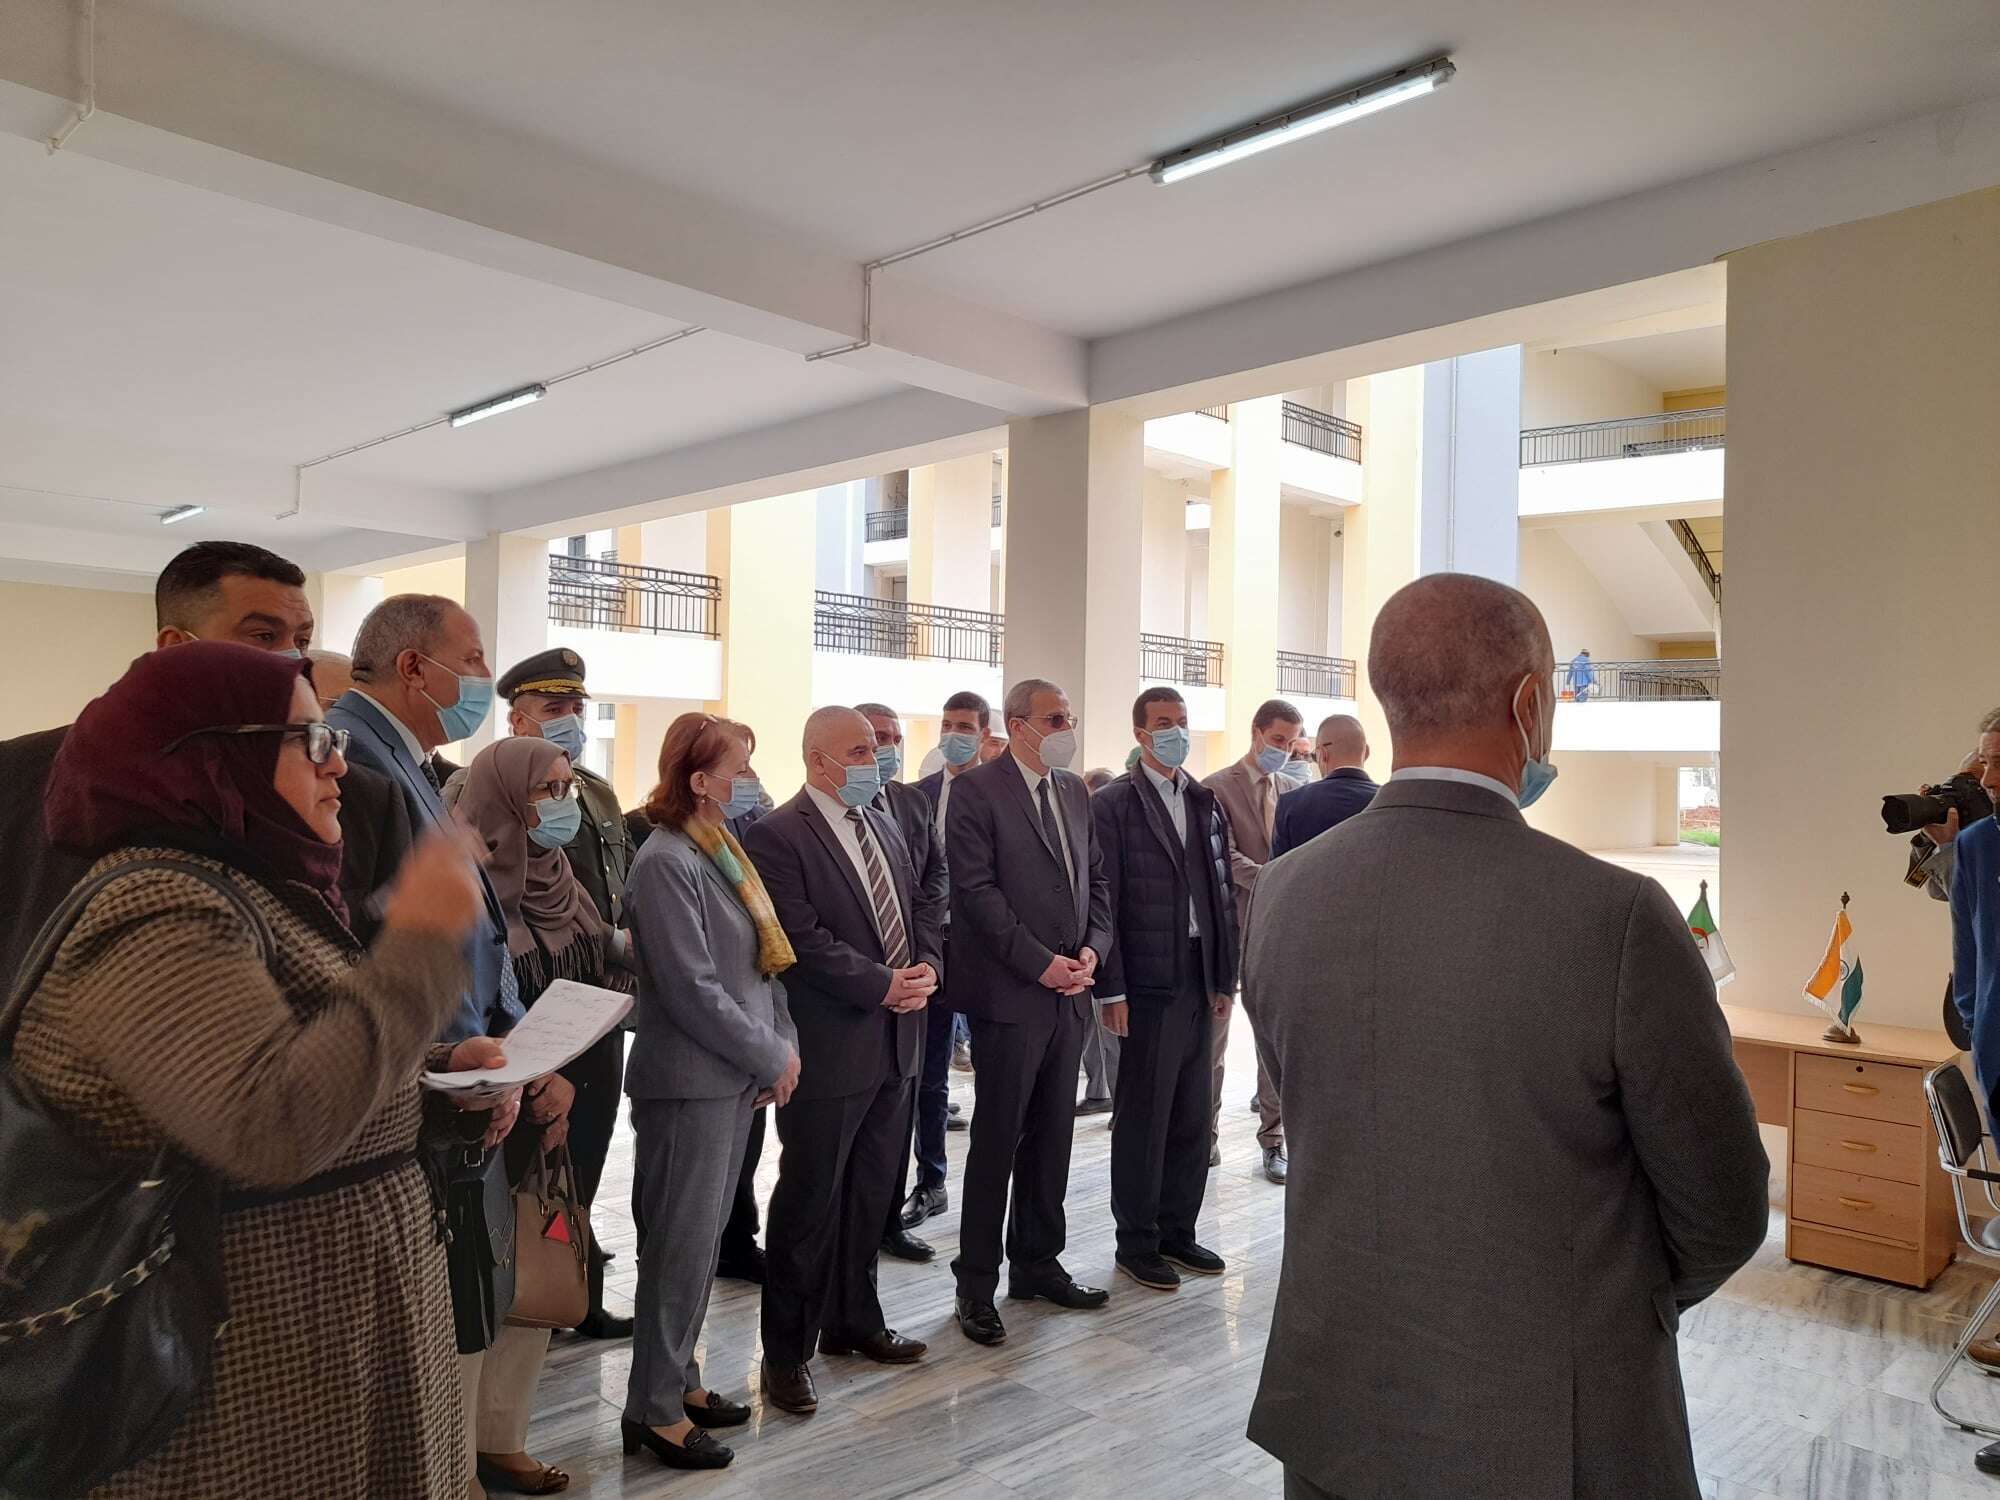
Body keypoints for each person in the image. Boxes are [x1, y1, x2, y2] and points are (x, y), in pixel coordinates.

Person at [1244, 573, 1768, 1500]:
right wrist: (1596, 1305)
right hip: (1550, 1427)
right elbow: (1722, 1205)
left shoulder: (1284, 892)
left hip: (1335, 1412)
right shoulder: (1615, 916)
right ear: (1529, 704)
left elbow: (1313, 1109)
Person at [13, 643, 498, 1498]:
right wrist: (421, 942)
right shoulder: (155, 909)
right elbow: (270, 1123)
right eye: (310, 741)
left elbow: (295, 1048)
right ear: (209, 755)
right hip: (251, 1372)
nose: (339, 763)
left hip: (324, 1334)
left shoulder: (245, 887)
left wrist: (432, 1073)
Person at [0, 542, 412, 987]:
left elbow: (379, 978)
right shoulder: (19, 770)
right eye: (263, 636)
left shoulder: (356, 795)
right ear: (175, 648)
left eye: (302, 641)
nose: (297, 661)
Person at [743, 708, 940, 1415]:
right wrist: (881, 983)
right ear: (818, 760)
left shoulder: (883, 820)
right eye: (859, 750)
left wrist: (927, 967)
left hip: (898, 1040)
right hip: (831, 1046)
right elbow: (801, 938)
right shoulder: (777, 835)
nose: (875, 759)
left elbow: (919, 905)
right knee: (810, 1203)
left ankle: (854, 1320)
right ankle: (786, 1355)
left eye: (877, 748)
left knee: (871, 1196)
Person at [453, 736, 634, 1494]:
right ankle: (455, 1455)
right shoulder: (465, 880)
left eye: (568, 788)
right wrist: (535, 1079)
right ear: (505, 793)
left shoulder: (564, 875)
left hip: (575, 1088)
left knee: (544, 1249)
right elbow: (471, 1000)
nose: (563, 804)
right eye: (547, 789)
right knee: (481, 1277)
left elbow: (597, 956)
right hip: (499, 1097)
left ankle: (504, 1436)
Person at [622, 713, 800, 1472]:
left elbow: (765, 964)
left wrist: (782, 1047)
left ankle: (680, 1379)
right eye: (740, 769)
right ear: (699, 781)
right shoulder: (666, 861)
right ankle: (654, 1411)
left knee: (698, 1247)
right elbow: (691, 988)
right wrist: (768, 1053)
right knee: (677, 1249)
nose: (751, 780)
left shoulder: (720, 848)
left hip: (731, 1076)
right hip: (688, 1083)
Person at [946, 677, 1113, 1347]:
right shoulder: (976, 792)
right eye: (1055, 718)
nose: (1067, 728)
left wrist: (1094, 950)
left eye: (1069, 717)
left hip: (1071, 994)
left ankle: (1038, 1264)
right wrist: (1040, 962)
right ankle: (975, 1284)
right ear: (1018, 726)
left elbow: (1096, 880)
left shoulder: (1072, 791)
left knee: (1053, 1139)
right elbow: (977, 894)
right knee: (998, 1142)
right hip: (1012, 996)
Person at [491, 648, 638, 1339]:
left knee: (587, 1153)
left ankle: (576, 1295)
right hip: (533, 1010)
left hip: (595, 1005)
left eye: (577, 708)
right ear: (517, 719)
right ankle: (525, 1302)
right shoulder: (487, 789)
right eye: (554, 709)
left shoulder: (596, 793)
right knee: (529, 1166)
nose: (572, 720)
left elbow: (614, 889)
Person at [1092, 687, 1238, 1292]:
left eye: (1181, 721)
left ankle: (1179, 1230)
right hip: (1147, 980)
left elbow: (1221, 891)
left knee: (1191, 1114)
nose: (1175, 732)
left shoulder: (1203, 799)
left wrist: (1224, 976)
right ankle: (1137, 1241)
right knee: (1144, 1118)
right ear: (1140, 734)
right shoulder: (1113, 804)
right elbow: (1104, 902)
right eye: (1163, 723)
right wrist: (1112, 990)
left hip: (1199, 974)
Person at [327, 595, 522, 1043]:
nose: (487, 676)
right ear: (413, 668)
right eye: (473, 659)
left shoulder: (400, 753)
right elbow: (377, 933)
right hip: (428, 1052)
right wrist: (459, 1054)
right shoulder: (354, 756)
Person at [853, 701, 952, 1264]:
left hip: (917, 976)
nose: (886, 749)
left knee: (907, 1099)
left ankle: (889, 1220)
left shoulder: (912, 802)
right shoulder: (816, 817)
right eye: (875, 739)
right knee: (861, 1117)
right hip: (862, 987)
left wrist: (926, 956)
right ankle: (853, 1230)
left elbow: (935, 876)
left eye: (893, 738)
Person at [1201, 698, 1304, 1184]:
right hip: (1227, 927)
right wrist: (1274, 879)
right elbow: (1221, 857)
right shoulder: (1216, 788)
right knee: (1213, 1041)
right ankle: (1205, 1135)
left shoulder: (1293, 790)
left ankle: (1274, 1139)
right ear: (1257, 733)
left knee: (1272, 1042)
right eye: (1278, 739)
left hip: (1277, 929)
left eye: (1291, 742)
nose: (1283, 749)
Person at [899, 690, 989, 1233]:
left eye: (965, 726)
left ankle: (992, 1184)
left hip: (991, 951)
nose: (954, 735)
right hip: (933, 948)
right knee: (929, 1073)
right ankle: (931, 1181)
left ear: (984, 733)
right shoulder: (918, 796)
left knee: (994, 1070)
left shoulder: (1001, 792)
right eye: (948, 725)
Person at [1269, 714, 1380, 858]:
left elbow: (1276, 868)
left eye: (1313, 756)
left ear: (1322, 754)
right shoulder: (1387, 799)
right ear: (1367, 753)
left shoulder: (1290, 803)